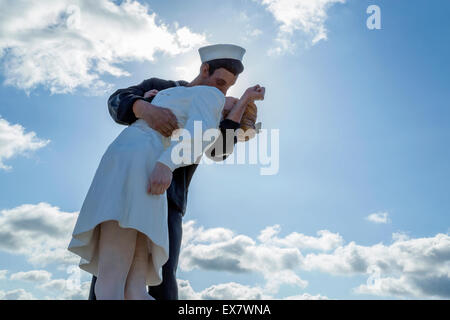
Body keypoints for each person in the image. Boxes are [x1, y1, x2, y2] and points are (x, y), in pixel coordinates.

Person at [67, 44, 265, 300]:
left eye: (229, 87)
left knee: (158, 274)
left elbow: (219, 151)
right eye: (220, 82)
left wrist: (240, 108)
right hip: (130, 176)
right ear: (204, 69)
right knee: (115, 269)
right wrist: (145, 108)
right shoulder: (162, 86)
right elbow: (117, 101)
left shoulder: (213, 105)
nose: (224, 90)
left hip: (169, 197)